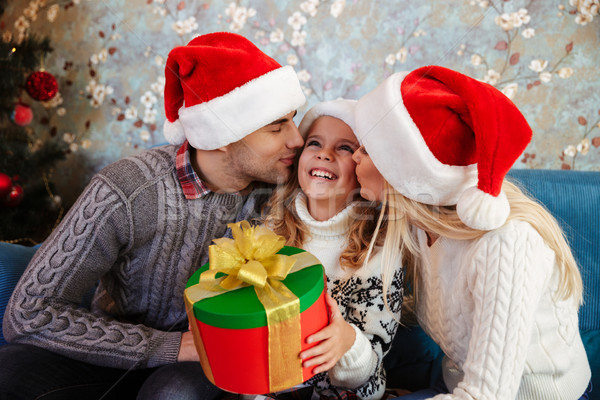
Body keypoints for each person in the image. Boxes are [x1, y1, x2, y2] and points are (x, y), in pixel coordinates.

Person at [0, 32, 306, 400]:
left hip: (205, 365)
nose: (297, 140)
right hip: (116, 350)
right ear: (222, 135)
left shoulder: (290, 184)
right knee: (11, 371)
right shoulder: (128, 188)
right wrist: (171, 346)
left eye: (293, 121)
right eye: (277, 127)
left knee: (173, 393)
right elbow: (29, 312)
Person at [350, 65, 592, 399]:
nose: (354, 159)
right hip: (452, 383)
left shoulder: (506, 243)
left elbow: (485, 396)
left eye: (366, 149)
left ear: (403, 173)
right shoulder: (419, 225)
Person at [261, 99, 403, 400]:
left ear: (363, 165)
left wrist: (347, 342)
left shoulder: (377, 250)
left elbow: (371, 367)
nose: (324, 154)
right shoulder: (269, 231)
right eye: (315, 143)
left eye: (344, 148)